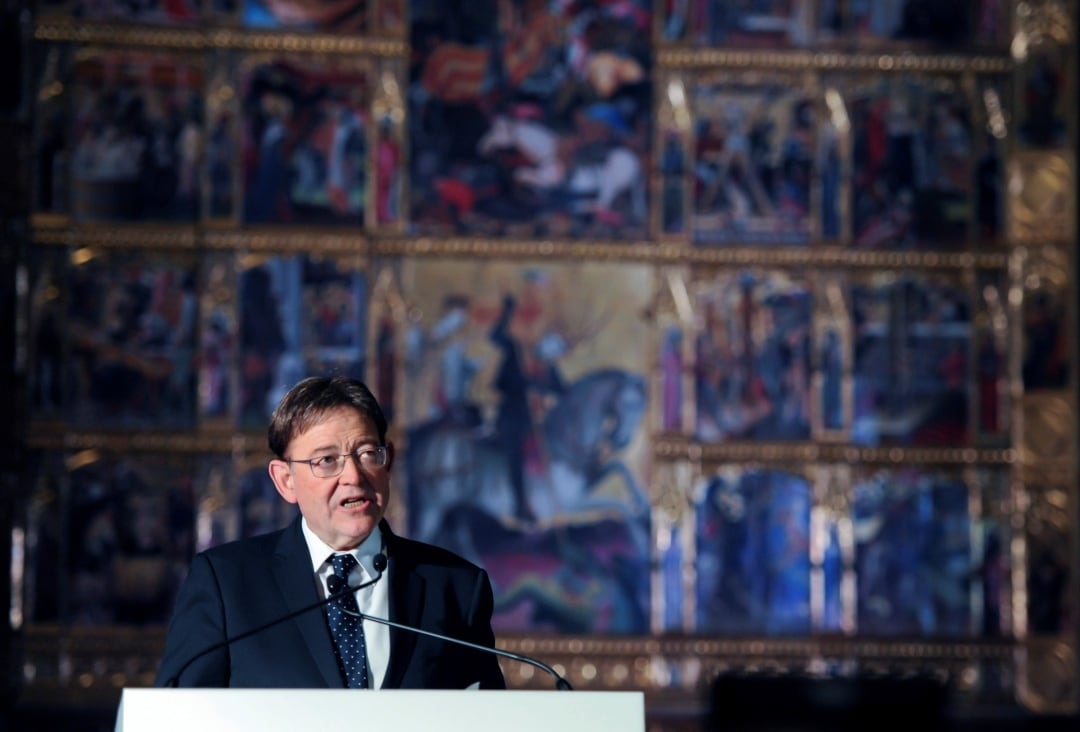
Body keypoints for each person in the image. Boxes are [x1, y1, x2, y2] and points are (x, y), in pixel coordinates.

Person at [155, 376, 506, 689]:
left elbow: (486, 721)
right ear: (285, 480)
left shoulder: (456, 587)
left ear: (389, 462)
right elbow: (176, 716)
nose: (353, 476)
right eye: (326, 461)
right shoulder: (226, 584)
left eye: (368, 453)